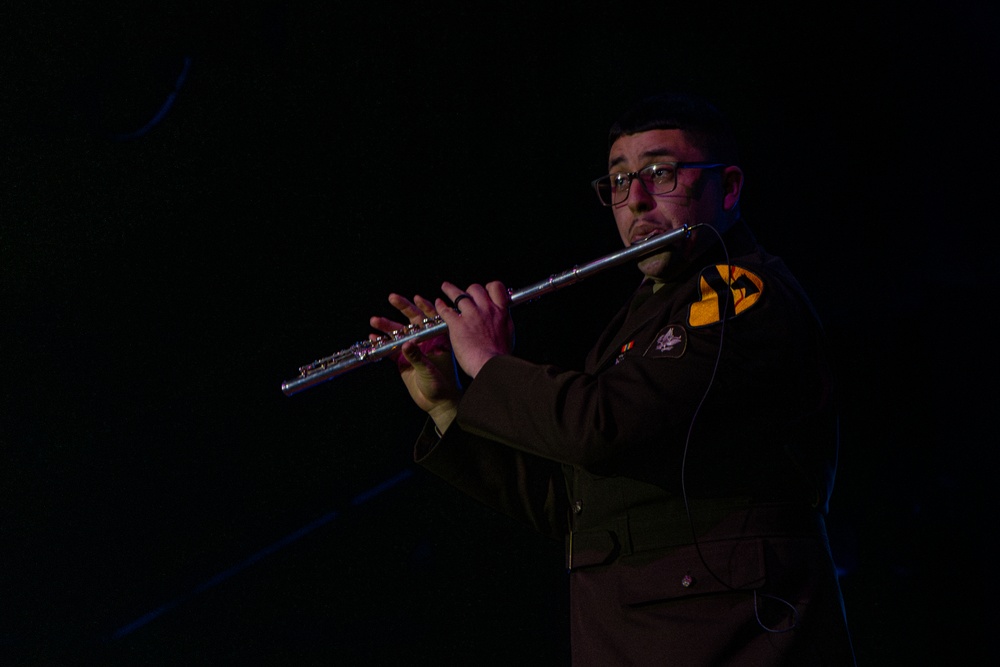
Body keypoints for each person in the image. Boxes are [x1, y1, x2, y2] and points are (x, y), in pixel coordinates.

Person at [369, 91, 856, 665]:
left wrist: (489, 363)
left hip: (730, 637)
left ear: (727, 187)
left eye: (660, 173)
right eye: (619, 182)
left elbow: (600, 426)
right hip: (634, 636)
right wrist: (449, 403)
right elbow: (577, 506)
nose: (637, 201)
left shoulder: (739, 296)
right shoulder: (637, 319)